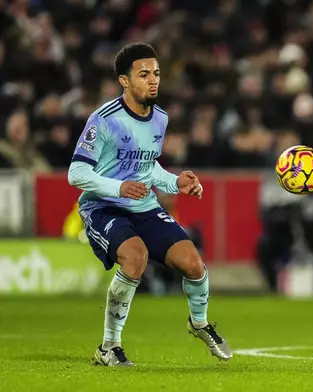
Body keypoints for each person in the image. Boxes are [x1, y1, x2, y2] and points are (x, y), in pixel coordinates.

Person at [67, 42, 232, 366]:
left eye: (156, 73)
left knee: (193, 264)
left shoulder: (160, 118)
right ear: (124, 81)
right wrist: (118, 187)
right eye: (144, 74)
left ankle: (199, 323)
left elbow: (148, 167)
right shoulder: (104, 119)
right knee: (135, 258)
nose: (153, 80)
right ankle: (108, 347)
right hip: (102, 206)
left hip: (142, 203)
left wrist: (175, 183)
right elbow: (76, 172)